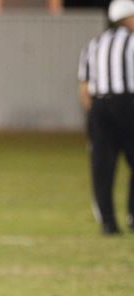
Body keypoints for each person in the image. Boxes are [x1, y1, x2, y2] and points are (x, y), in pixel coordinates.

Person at [78, 0, 134, 234]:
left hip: (99, 106)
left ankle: (108, 222)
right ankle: (133, 215)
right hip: (128, 103)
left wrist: (94, 116)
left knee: (102, 166)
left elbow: (84, 88)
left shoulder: (94, 43)